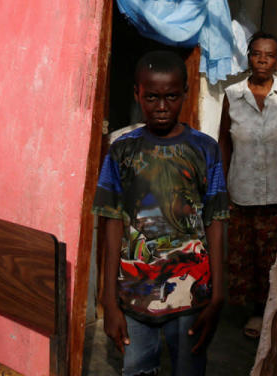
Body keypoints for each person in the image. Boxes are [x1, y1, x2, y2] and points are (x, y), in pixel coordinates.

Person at [93, 50, 229, 376]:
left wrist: (219, 296)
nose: (162, 106)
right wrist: (108, 301)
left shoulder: (204, 149)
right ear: (137, 94)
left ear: (184, 93)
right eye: (152, 97)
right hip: (135, 299)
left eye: (171, 96)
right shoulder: (121, 150)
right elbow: (111, 224)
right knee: (137, 369)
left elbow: (215, 221)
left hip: (192, 298)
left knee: (189, 369)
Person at [218, 31, 277, 338]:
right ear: (249, 57)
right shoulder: (233, 95)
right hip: (243, 193)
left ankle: (276, 313)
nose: (262, 59)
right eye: (256, 53)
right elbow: (224, 140)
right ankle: (255, 313)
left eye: (269, 55)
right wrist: (221, 184)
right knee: (247, 257)